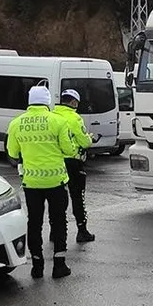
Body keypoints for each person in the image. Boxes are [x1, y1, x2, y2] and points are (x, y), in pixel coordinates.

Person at [6, 85, 78, 279]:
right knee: (59, 221)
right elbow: (69, 150)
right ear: (47, 102)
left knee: (35, 222)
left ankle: (37, 266)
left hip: (32, 183)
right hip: (56, 181)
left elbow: (12, 153)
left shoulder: (16, 124)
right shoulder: (58, 121)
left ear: (29, 101)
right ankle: (59, 265)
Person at [54, 89, 95, 243]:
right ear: (73, 102)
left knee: (58, 198)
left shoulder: (53, 116)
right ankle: (82, 231)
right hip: (73, 162)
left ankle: (55, 231)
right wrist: (89, 139)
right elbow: (84, 141)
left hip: (56, 162)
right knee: (77, 197)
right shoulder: (75, 118)